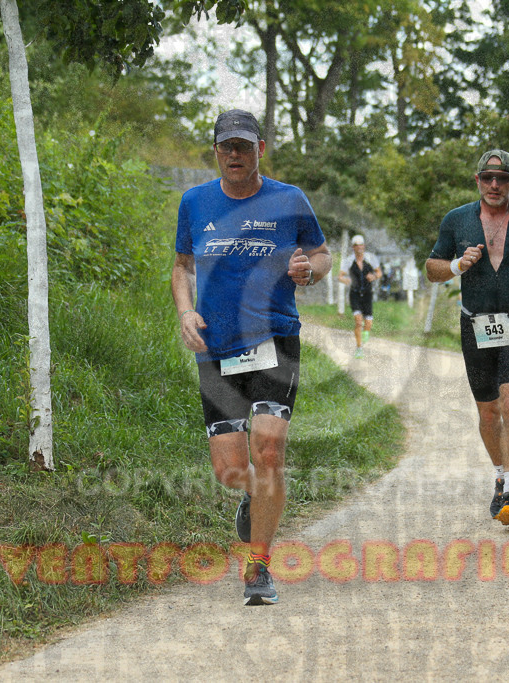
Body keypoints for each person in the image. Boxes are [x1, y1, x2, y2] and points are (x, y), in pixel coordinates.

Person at [171, 109, 332, 605]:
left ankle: (258, 566)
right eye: (226, 146)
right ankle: (250, 496)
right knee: (231, 470)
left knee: (268, 449)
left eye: (244, 146)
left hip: (274, 339)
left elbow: (322, 255)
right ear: (216, 151)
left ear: (260, 148)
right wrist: (185, 313)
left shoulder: (289, 200)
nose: (235, 155)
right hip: (216, 347)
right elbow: (181, 266)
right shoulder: (195, 202)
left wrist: (310, 271)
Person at [425, 149, 509, 526]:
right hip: (476, 323)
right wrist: (457, 265)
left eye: (502, 179)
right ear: (478, 181)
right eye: (488, 178)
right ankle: (500, 475)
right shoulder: (456, 220)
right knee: (488, 412)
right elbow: (431, 268)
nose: (495, 185)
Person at [338, 234, 381, 358]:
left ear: (364, 246)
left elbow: (379, 273)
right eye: (356, 245)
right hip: (355, 294)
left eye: (361, 244)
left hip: (367, 294)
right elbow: (340, 276)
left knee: (368, 323)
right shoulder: (348, 261)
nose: (359, 247)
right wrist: (345, 280)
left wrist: (373, 276)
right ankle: (359, 348)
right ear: (353, 247)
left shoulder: (371, 259)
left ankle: (366, 333)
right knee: (358, 321)